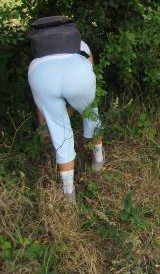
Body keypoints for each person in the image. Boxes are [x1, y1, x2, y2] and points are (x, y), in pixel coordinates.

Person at [28, 38, 104, 203]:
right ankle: (98, 158)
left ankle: (69, 195)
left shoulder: (38, 54)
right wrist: (74, 109)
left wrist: (44, 126)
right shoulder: (81, 45)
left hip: (41, 77)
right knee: (91, 110)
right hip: (78, 77)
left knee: (60, 133)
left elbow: (41, 105)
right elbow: (87, 88)